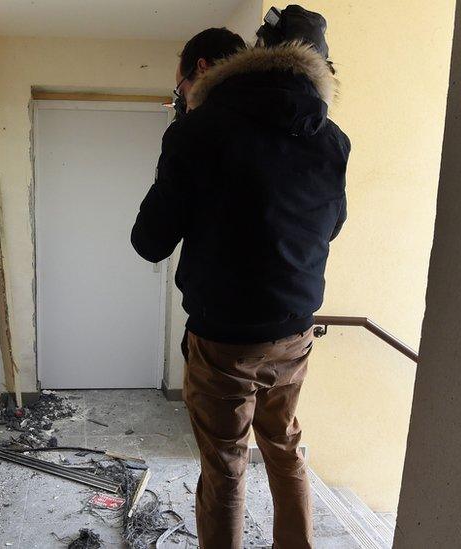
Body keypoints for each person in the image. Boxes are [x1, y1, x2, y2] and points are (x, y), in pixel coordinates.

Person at [130, 6, 349, 548]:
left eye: (180, 83)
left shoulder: (199, 132)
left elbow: (148, 240)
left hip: (223, 340)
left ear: (201, 72)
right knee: (284, 447)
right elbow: (332, 225)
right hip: (295, 333)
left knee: (226, 465)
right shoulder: (332, 139)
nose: (180, 94)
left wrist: (181, 151)